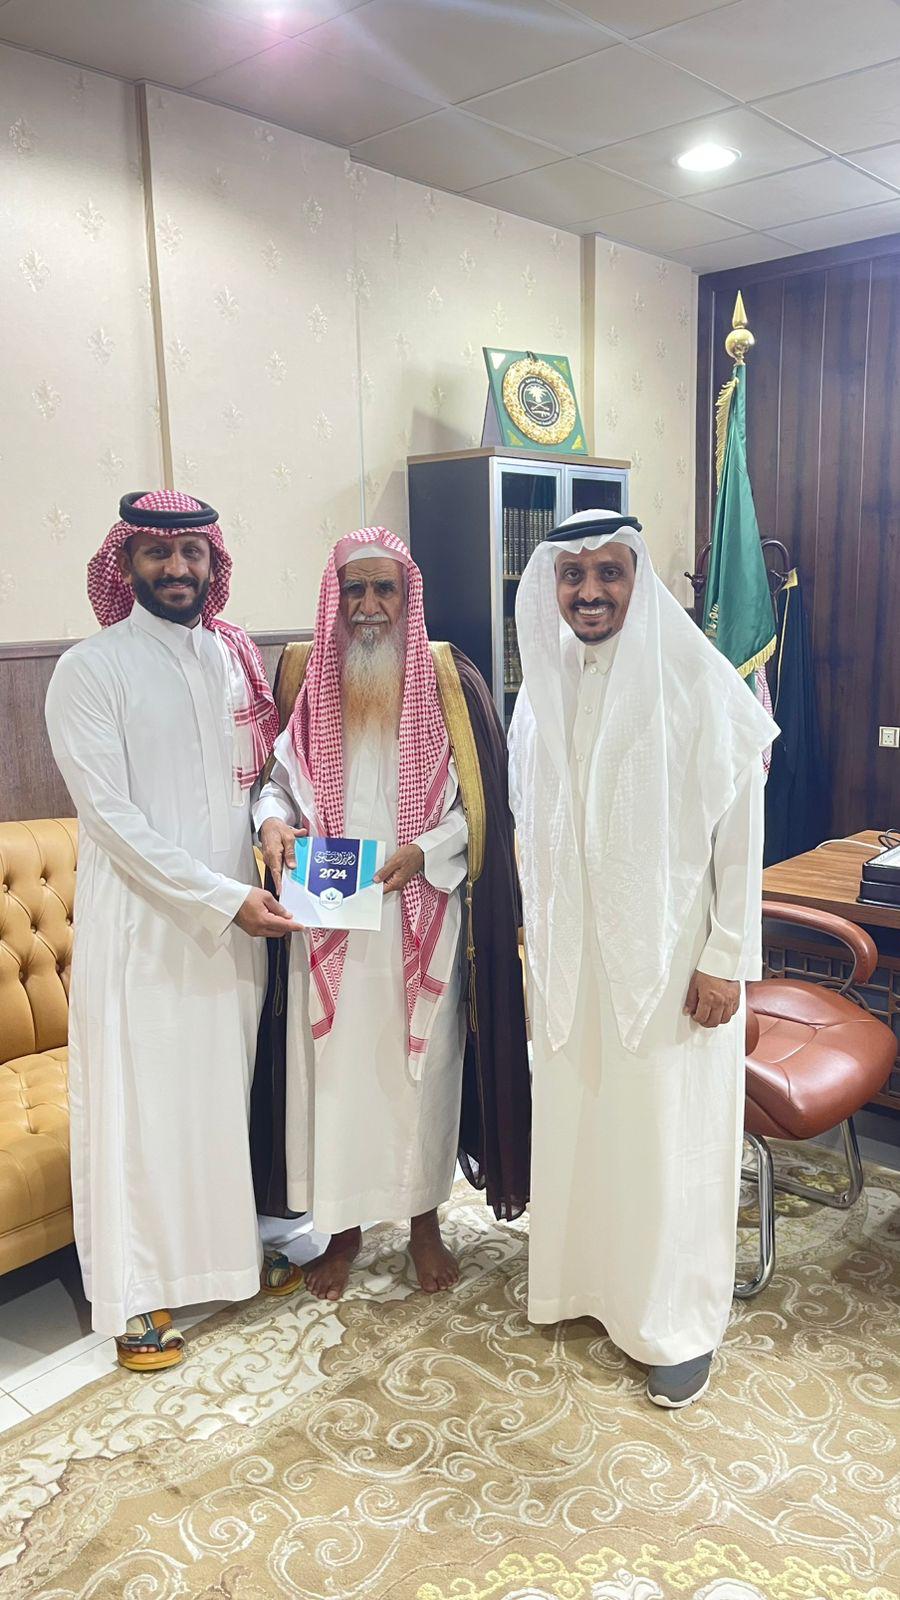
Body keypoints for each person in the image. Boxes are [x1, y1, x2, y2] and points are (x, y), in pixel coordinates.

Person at [508, 508, 778, 1409]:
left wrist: (727, 956)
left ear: (637, 580)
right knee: (585, 1125)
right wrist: (536, 935)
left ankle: (676, 1325)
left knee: (668, 1141)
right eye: (572, 575)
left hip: (670, 962)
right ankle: (584, 1286)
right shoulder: (541, 688)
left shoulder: (694, 680)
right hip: (570, 962)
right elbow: (529, 824)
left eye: (608, 574)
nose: (589, 592)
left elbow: (741, 833)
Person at [45, 490, 302, 1372]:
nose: (177, 568)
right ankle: (133, 1292)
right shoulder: (90, 669)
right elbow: (112, 821)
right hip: (145, 931)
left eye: (193, 553)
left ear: (212, 562)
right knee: (142, 1111)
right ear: (126, 563)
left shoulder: (231, 658)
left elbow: (256, 778)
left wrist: (271, 822)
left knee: (215, 1104)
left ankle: (225, 1258)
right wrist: (222, 897)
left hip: (231, 924)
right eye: (158, 552)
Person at [253, 525, 530, 1300]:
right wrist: (271, 823)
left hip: (419, 913)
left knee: (418, 1077)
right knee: (337, 1082)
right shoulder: (310, 681)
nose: (369, 605)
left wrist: (424, 850)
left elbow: (479, 807)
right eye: (355, 590)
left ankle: (423, 1224)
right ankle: (342, 1231)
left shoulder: (447, 682)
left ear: (408, 597)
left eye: (385, 589)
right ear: (335, 598)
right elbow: (277, 782)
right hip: (329, 916)